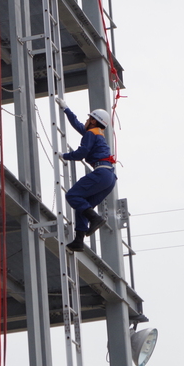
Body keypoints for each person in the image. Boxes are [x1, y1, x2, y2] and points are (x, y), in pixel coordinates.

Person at [55, 97, 117, 252]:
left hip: (101, 172)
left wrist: (65, 155)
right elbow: (78, 125)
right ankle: (78, 240)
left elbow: (82, 153)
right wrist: (66, 109)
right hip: (109, 178)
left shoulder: (92, 134)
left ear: (94, 121)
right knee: (82, 206)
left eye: (89, 118)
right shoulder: (96, 133)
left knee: (73, 196)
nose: (87, 121)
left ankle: (94, 218)